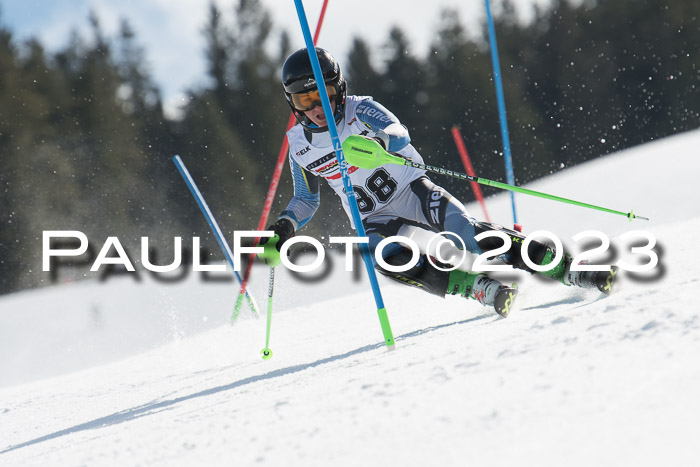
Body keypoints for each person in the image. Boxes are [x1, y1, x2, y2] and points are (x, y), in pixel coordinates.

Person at [259, 47, 616, 317]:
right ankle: (475, 288)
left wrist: (379, 144)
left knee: (468, 233)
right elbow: (306, 199)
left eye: (322, 94)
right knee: (387, 257)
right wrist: (284, 228)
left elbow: (398, 132)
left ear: (337, 88)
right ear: (292, 102)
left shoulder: (360, 109)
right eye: (304, 99)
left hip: (410, 189)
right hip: (372, 218)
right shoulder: (300, 147)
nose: (316, 107)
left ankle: (567, 268)